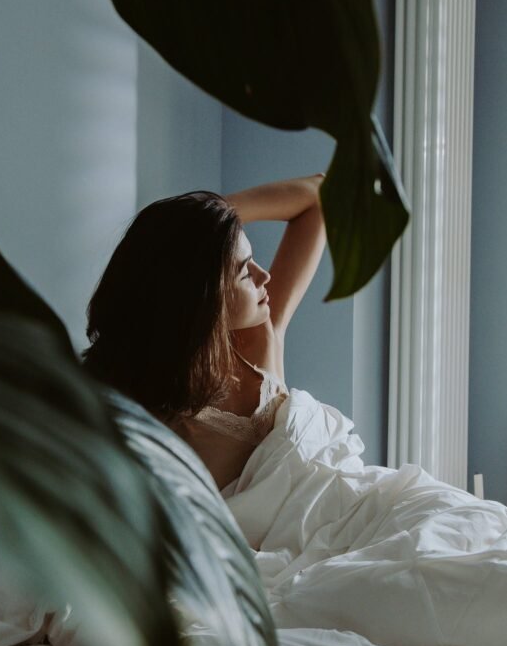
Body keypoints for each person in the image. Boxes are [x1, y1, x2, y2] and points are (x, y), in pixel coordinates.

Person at [83, 174, 327, 490]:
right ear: (201, 297)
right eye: (244, 272)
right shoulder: (140, 423)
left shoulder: (259, 335)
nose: (263, 276)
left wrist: (206, 222)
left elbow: (319, 195)